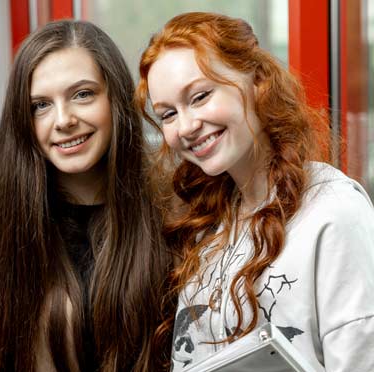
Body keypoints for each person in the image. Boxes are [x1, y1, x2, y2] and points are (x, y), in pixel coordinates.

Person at [135, 12, 374, 372]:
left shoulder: (333, 211)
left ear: (257, 81)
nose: (186, 126)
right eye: (168, 114)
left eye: (200, 96)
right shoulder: (208, 225)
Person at [0, 19, 169, 372]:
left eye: (82, 94)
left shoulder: (172, 213)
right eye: (40, 105)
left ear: (114, 97)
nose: (64, 120)